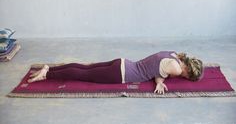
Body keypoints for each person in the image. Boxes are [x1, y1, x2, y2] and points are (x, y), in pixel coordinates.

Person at [27, 51, 203, 95]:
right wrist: (159, 81)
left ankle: (49, 69)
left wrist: (158, 81)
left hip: (122, 62)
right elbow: (163, 74)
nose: (183, 77)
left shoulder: (174, 55)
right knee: (83, 75)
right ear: (187, 71)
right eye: (188, 76)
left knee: (85, 67)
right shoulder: (177, 69)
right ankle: (47, 75)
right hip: (122, 74)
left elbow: (158, 69)